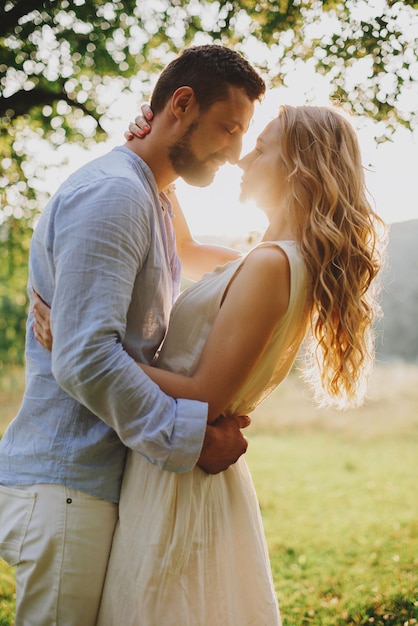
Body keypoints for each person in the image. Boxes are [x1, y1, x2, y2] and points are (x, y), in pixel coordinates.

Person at [34, 104, 386, 625]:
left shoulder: (271, 266)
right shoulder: (264, 260)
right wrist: (158, 154)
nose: (243, 160)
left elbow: (205, 396)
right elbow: (184, 246)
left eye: (261, 148)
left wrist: (81, 342)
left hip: (179, 479)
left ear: (298, 167)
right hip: (179, 463)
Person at [0, 45, 266, 626]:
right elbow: (85, 358)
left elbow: (192, 256)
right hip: (67, 486)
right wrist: (191, 440)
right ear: (183, 103)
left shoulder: (149, 193)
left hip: (97, 481)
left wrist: (276, 267)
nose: (236, 151)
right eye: (229, 128)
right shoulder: (115, 194)